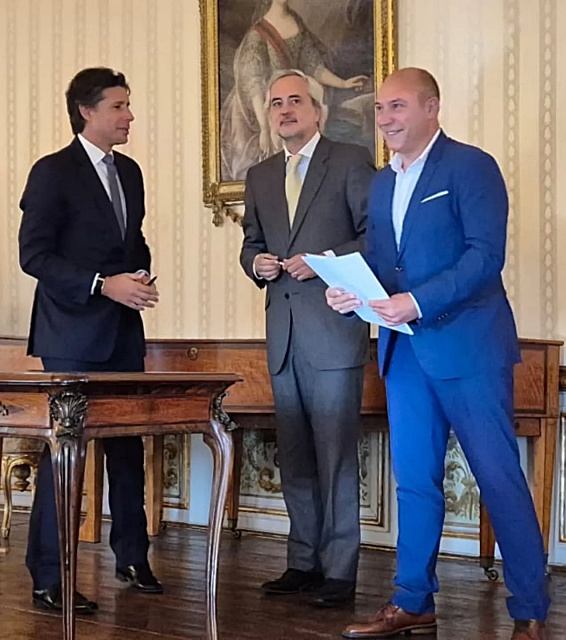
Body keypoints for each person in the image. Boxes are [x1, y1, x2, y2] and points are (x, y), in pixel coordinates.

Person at [326, 67, 550, 640]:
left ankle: (530, 611)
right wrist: (350, 294)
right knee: (415, 483)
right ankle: (412, 601)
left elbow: (484, 258)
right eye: (380, 109)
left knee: (498, 479)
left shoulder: (472, 167)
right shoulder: (382, 183)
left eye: (397, 106)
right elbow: (384, 264)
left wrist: (417, 302)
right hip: (404, 355)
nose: (385, 119)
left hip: (469, 349)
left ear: (432, 108)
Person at [18, 67, 162, 614]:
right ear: (87, 111)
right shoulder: (52, 172)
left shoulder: (130, 172)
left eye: (128, 105)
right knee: (65, 458)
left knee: (127, 447)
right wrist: (104, 285)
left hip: (123, 331)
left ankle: (133, 557)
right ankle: (49, 577)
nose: (129, 116)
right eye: (119, 106)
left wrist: (140, 274)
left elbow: (133, 241)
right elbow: (34, 256)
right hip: (71, 335)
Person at [239, 68, 375, 608]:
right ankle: (302, 562)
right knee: (294, 456)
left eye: (295, 100)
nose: (285, 110)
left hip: (334, 332)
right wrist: (256, 263)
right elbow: (250, 242)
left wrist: (322, 262)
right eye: (276, 103)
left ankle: (339, 572)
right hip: (284, 335)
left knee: (335, 455)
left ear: (317, 111)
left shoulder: (349, 161)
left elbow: (373, 237)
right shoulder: (259, 175)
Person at [220, 0, 368, 181]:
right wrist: (264, 127)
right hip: (262, 110)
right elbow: (254, 84)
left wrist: (343, 84)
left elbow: (313, 65)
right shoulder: (256, 35)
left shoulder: (296, 23)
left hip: (297, 102)